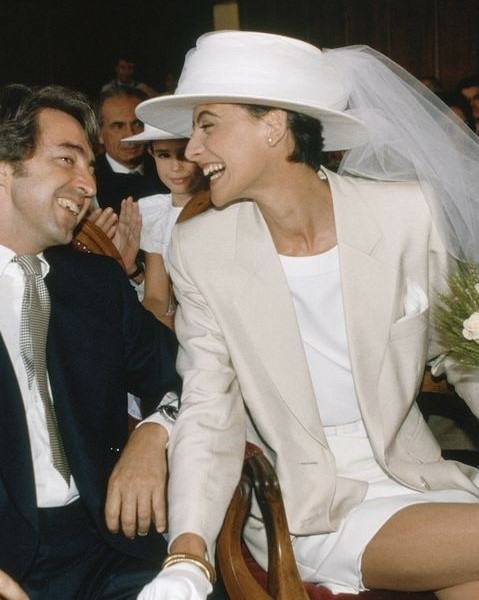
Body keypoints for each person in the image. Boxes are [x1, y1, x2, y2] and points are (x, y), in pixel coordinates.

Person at [135, 31, 479, 599]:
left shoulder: (407, 215)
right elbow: (208, 407)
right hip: (310, 507)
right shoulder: (202, 249)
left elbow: (465, 355)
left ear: (273, 125)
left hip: (419, 477)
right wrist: (188, 555)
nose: (191, 150)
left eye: (207, 125)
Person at [0, 82, 181, 600]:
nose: (87, 183)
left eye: (90, 164)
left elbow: (192, 373)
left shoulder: (96, 285)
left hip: (110, 550)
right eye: (67, 159)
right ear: (5, 168)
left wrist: (154, 433)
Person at [121, 124, 208, 329]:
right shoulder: (154, 212)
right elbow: (156, 298)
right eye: (164, 155)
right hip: (178, 328)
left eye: (183, 154)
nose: (175, 167)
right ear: (151, 154)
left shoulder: (221, 208)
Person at [95, 86, 167, 216]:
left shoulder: (168, 169)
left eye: (138, 124)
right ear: (99, 134)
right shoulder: (89, 179)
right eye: (118, 126)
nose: (130, 134)